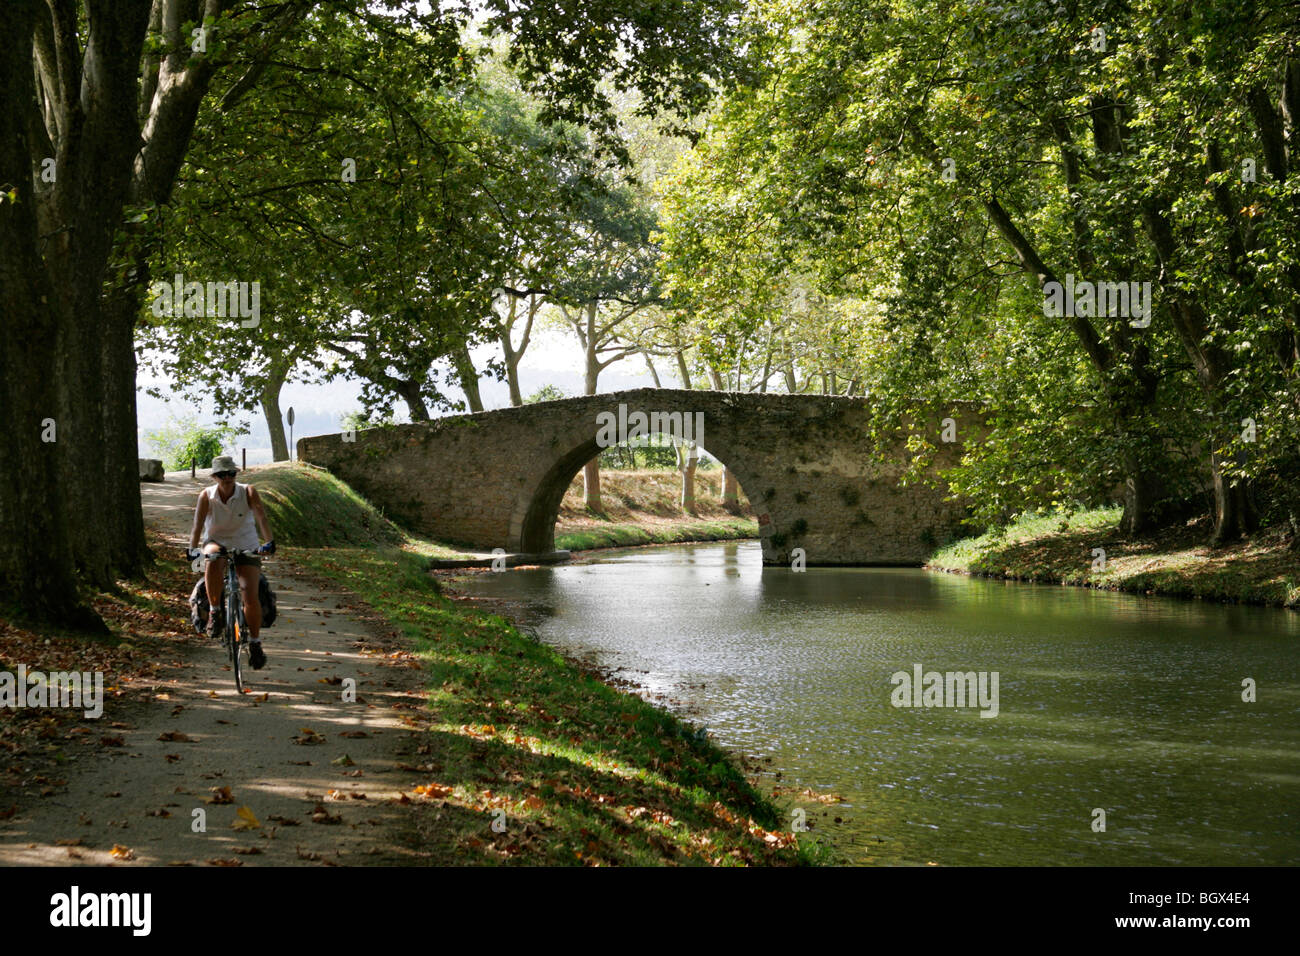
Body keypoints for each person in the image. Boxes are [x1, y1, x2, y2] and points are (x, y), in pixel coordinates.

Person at [188, 455, 276, 669]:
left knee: (249, 593)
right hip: (216, 540)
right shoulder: (206, 496)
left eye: (231, 473)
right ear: (215, 477)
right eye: (222, 474)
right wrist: (192, 549)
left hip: (246, 542)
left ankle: (255, 643)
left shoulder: (247, 491)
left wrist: (269, 542)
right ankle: (215, 611)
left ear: (236, 474)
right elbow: (198, 524)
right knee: (213, 557)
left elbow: (260, 517)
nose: (227, 478)